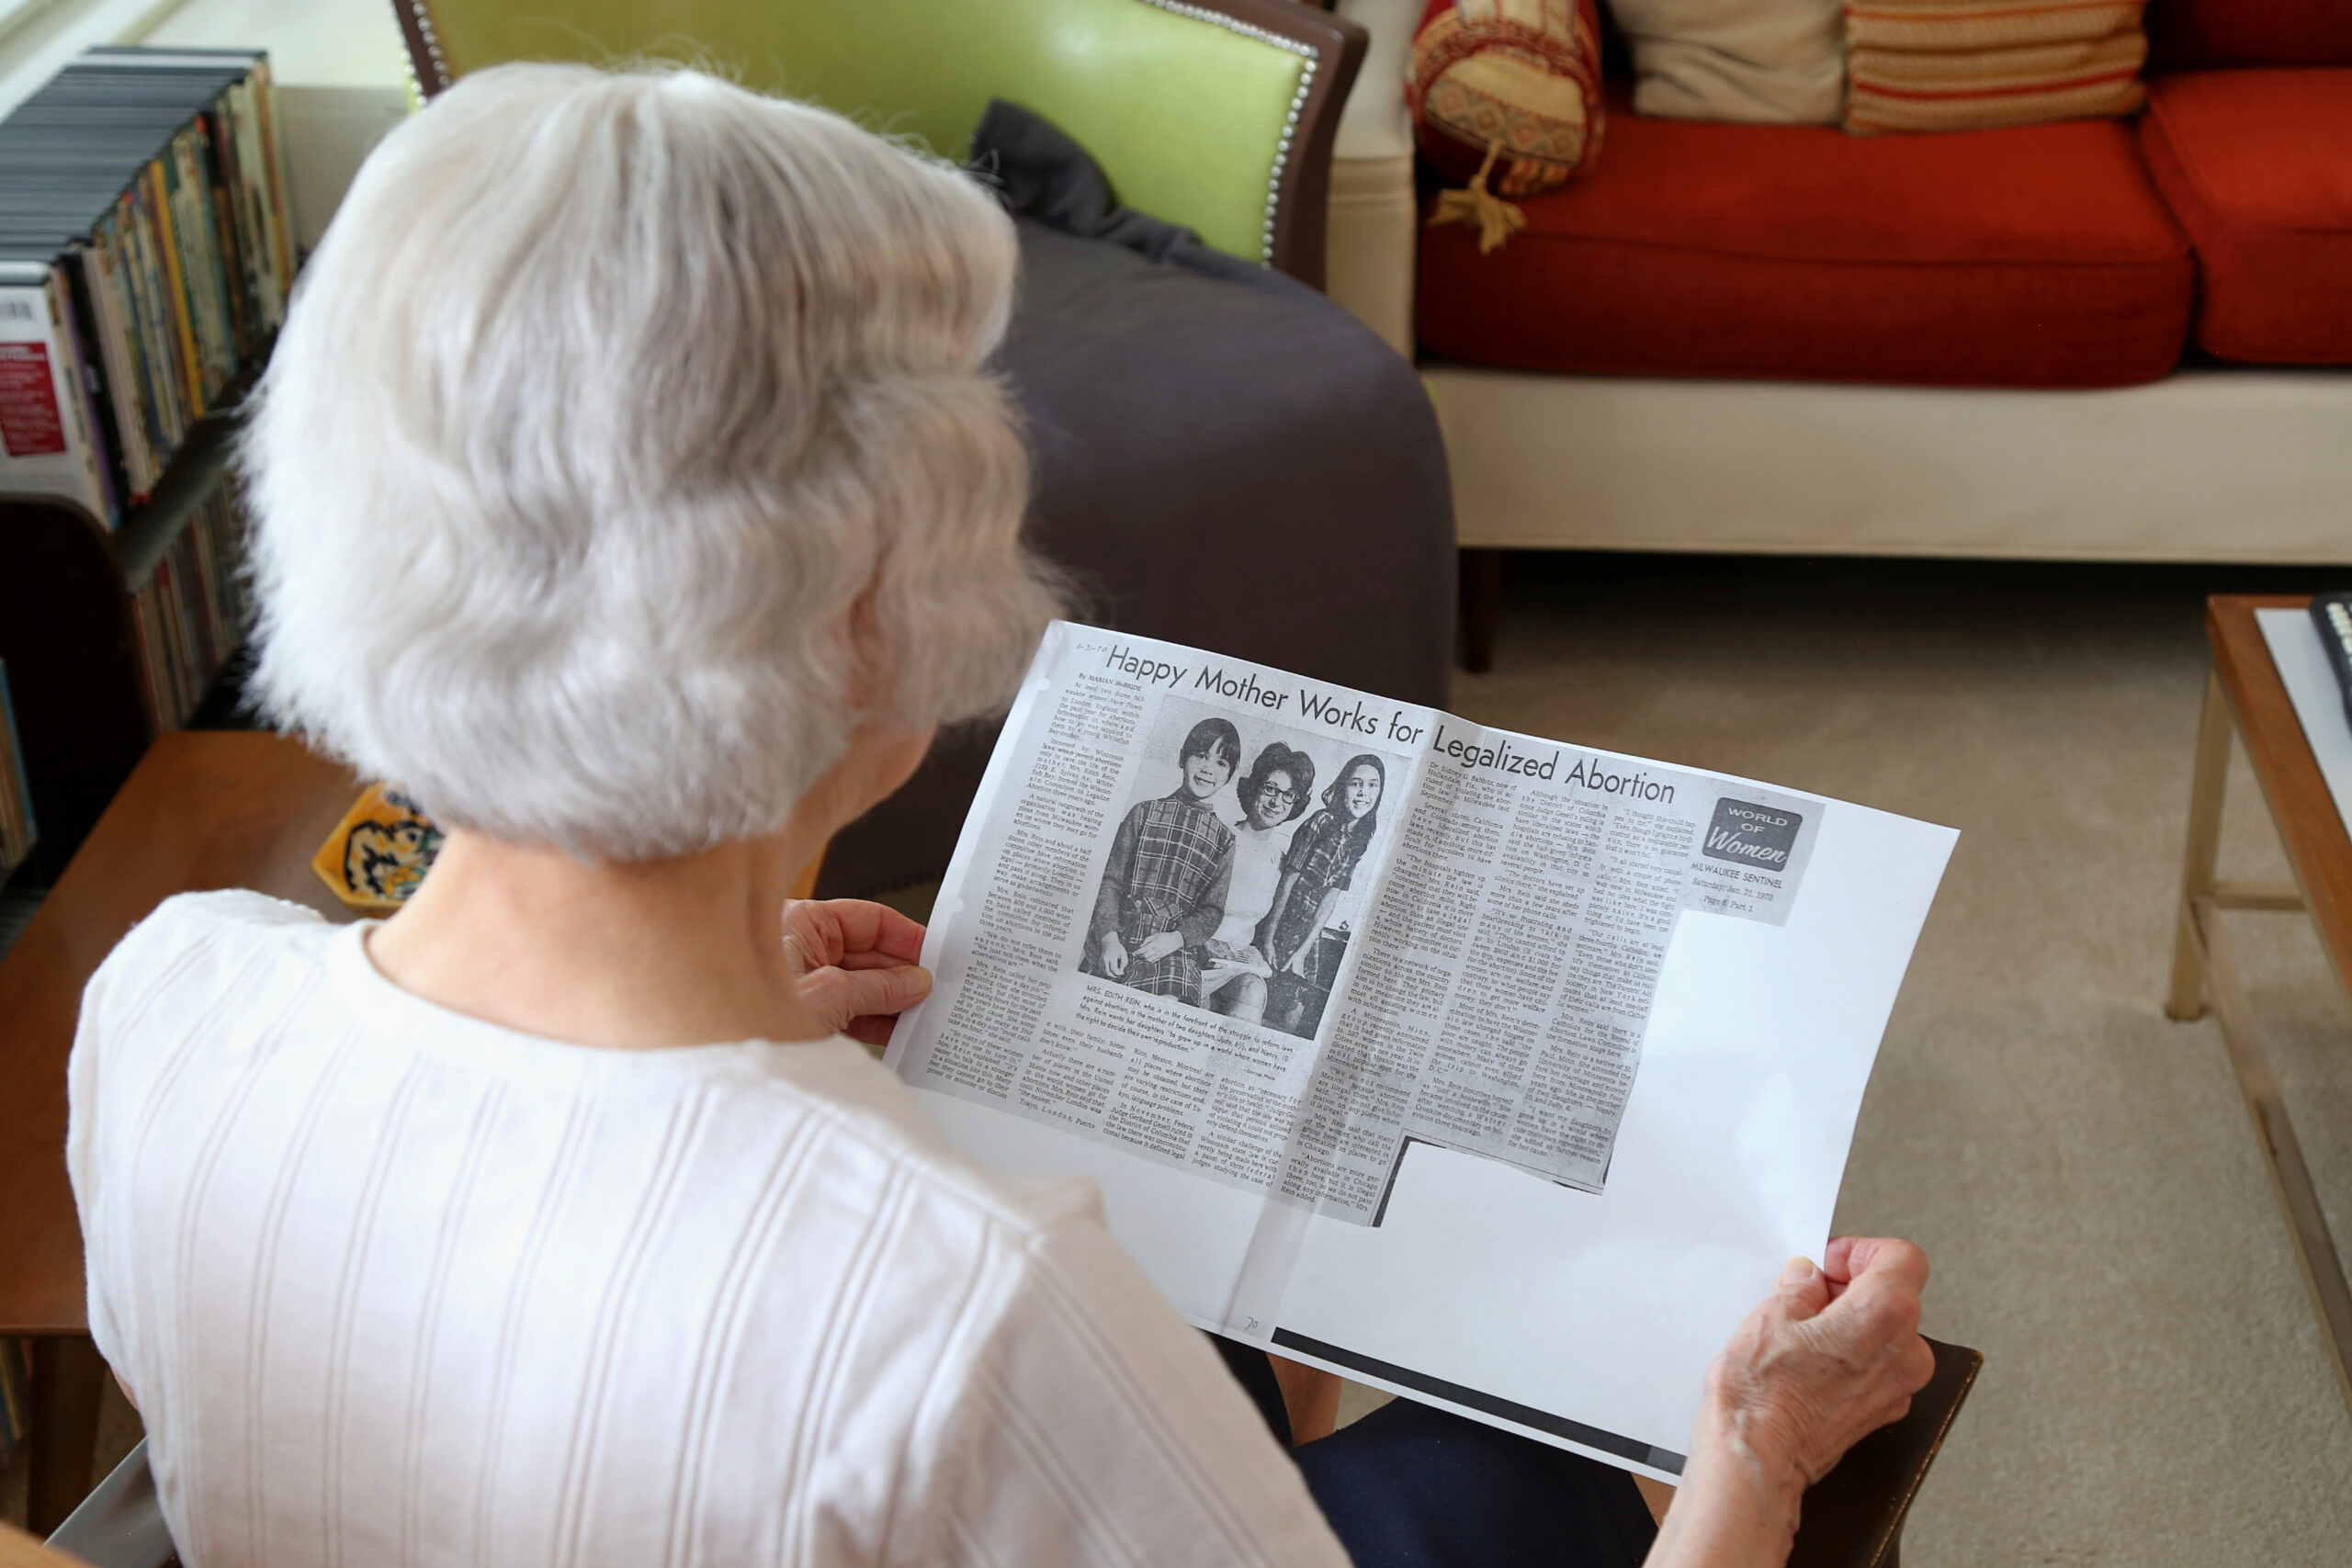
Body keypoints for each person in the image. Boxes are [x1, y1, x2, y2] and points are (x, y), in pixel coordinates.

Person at [66, 62, 1934, 1568]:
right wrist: (1754, 1464)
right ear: (870, 613)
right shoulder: (959, 1296)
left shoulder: (167, 998)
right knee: (1551, 1442)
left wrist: (723, 1002)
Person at [1084, 716, 1241, 1003]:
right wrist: (1108, 938)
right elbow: (1110, 881)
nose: (1208, 768)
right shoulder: (1143, 812)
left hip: (1174, 948)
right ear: (1183, 758)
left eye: (1221, 762)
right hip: (1123, 935)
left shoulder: (1224, 839)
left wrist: (1177, 939)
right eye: (1201, 755)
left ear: (1228, 775)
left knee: (1167, 1002)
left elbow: (1211, 911)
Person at [1261, 753, 1385, 1031]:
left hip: (1309, 938)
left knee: (1294, 1016)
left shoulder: (1360, 839)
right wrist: (1269, 937)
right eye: (1356, 784)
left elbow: (1332, 896)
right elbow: (1287, 880)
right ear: (1343, 787)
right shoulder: (1321, 821)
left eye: (1372, 785)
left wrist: (1305, 949)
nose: (1364, 793)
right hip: (1281, 925)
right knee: (1264, 1003)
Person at [1201, 742, 1316, 1024]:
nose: (1277, 802)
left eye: (1289, 795)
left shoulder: (1283, 862)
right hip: (1193, 952)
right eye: (1270, 789)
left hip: (1237, 967)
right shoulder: (1217, 835)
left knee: (1254, 990)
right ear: (1253, 787)